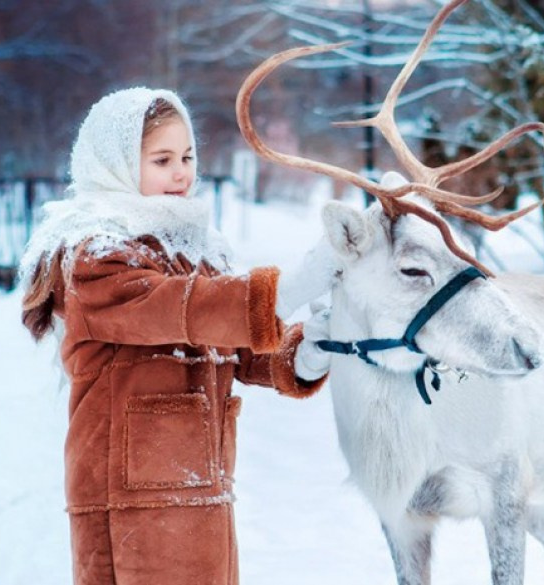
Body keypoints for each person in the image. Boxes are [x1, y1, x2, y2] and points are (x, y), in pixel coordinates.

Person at [19, 87, 333, 585]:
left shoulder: (199, 250)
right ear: (115, 164)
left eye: (187, 156)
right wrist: (280, 293)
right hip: (127, 499)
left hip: (199, 481)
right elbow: (168, 308)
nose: (182, 172)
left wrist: (299, 357)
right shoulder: (94, 256)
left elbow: (229, 344)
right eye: (162, 159)